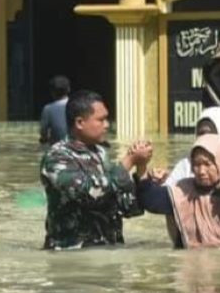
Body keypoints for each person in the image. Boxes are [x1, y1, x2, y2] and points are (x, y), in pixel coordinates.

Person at [41, 90, 152, 250]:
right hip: (71, 257)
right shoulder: (56, 157)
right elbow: (90, 193)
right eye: (101, 120)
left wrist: (141, 169)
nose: (107, 125)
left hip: (109, 254)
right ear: (80, 123)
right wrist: (129, 161)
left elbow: (128, 208)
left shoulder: (100, 153)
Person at [165, 106, 220, 186]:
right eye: (201, 134)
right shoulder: (186, 165)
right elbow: (167, 191)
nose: (201, 171)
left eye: (210, 134)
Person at [38, 75, 71, 145]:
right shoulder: (76, 105)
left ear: (52, 92)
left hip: (58, 147)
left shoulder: (48, 109)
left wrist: (44, 139)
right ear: (69, 89)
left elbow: (43, 132)